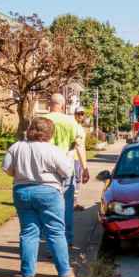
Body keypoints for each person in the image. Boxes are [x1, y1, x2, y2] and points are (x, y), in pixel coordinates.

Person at [2, 117, 74, 277]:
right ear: (49, 133)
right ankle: (63, 271)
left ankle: (27, 272)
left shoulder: (16, 147)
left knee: (28, 232)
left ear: (31, 130)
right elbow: (67, 171)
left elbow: (7, 169)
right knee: (55, 232)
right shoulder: (53, 150)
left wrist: (20, 173)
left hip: (22, 191)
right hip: (49, 192)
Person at [44, 94, 89, 246]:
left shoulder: (42, 121)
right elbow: (79, 146)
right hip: (66, 167)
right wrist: (85, 167)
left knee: (49, 207)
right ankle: (67, 239)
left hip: (47, 170)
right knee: (67, 206)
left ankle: (52, 241)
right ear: (63, 106)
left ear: (49, 104)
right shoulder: (71, 123)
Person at [72, 107, 87, 211]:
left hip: (79, 158)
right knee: (74, 180)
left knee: (77, 180)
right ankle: (73, 202)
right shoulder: (74, 127)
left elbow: (82, 146)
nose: (81, 116)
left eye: (82, 114)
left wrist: (84, 163)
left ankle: (74, 201)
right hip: (73, 158)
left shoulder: (80, 127)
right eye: (79, 114)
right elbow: (77, 145)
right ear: (75, 114)